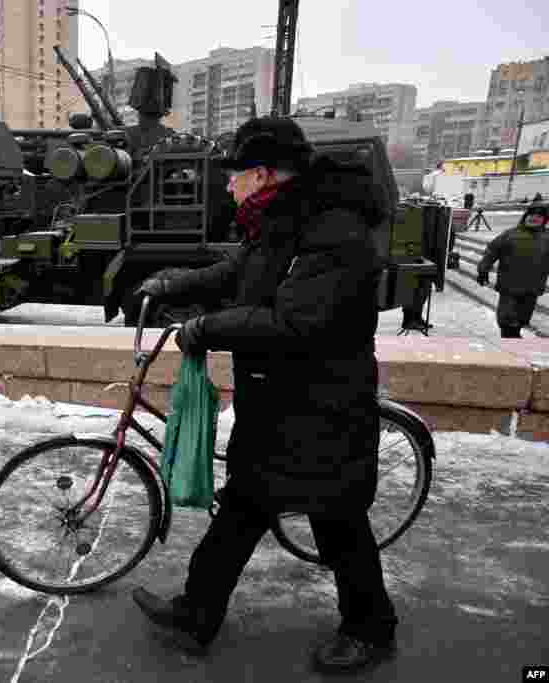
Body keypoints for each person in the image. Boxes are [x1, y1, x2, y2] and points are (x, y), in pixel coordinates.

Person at [132, 116, 398, 675]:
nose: (227, 185)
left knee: (339, 522)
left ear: (261, 173)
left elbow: (294, 321)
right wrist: (174, 283)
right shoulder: (283, 220)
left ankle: (370, 628)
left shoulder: (336, 229)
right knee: (242, 510)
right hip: (276, 403)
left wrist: (205, 329)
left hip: (324, 407)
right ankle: (196, 613)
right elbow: (240, 271)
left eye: (233, 175)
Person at [476, 202, 549, 338]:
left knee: (521, 320)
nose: (534, 218)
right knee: (506, 321)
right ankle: (510, 341)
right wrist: (483, 270)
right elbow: (492, 251)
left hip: (532, 288)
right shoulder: (510, 235)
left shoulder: (547, 238)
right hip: (509, 287)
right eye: (531, 215)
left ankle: (513, 340)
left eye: (539, 216)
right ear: (525, 216)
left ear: (544, 220)